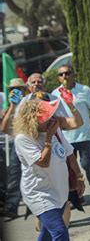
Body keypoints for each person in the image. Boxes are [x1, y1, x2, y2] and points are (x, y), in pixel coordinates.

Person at [13, 98, 85, 241]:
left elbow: (69, 153)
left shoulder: (54, 128)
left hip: (58, 190)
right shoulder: (23, 139)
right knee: (60, 232)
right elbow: (43, 162)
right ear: (34, 121)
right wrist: (48, 139)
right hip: (40, 194)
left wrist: (79, 177)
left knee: (46, 234)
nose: (52, 119)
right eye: (47, 117)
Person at [52, 65, 90, 204]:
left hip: (83, 135)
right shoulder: (55, 94)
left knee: (86, 163)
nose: (65, 76)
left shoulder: (84, 90)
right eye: (61, 74)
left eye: (67, 73)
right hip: (65, 138)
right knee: (70, 168)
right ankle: (77, 194)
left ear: (73, 74)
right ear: (58, 77)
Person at [0, 78, 27, 218]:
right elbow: (4, 128)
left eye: (18, 89)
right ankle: (11, 207)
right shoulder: (10, 107)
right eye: (11, 89)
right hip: (15, 144)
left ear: (24, 90)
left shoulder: (29, 103)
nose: (14, 91)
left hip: (30, 145)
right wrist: (11, 107)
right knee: (14, 176)